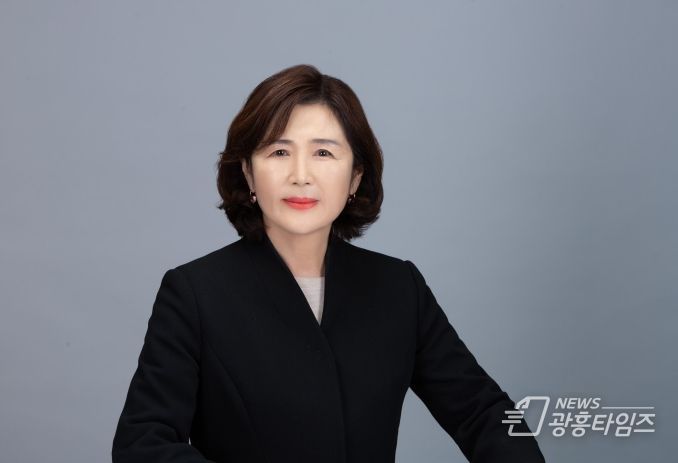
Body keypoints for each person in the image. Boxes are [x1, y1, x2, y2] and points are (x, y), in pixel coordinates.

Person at [111, 64, 546, 463]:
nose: (301, 175)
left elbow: (484, 413)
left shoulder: (398, 288)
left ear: (356, 175)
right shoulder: (195, 293)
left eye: (323, 153)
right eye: (278, 152)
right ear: (247, 173)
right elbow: (143, 445)